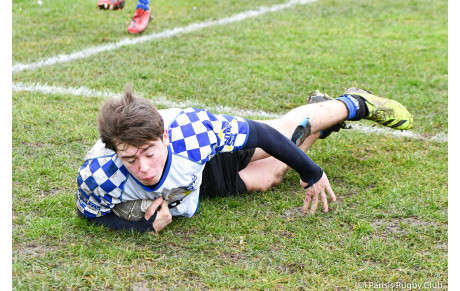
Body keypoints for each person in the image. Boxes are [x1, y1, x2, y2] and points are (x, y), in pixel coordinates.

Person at [76, 86, 413, 233]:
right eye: (130, 159)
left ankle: (354, 103)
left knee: (285, 132)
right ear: (113, 150)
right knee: (271, 177)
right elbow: (89, 215)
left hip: (203, 160)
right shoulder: (97, 174)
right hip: (194, 186)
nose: (143, 167)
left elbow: (262, 134)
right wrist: (141, 227)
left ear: (164, 138)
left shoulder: (192, 133)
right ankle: (323, 123)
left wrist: (312, 173)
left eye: (149, 153)